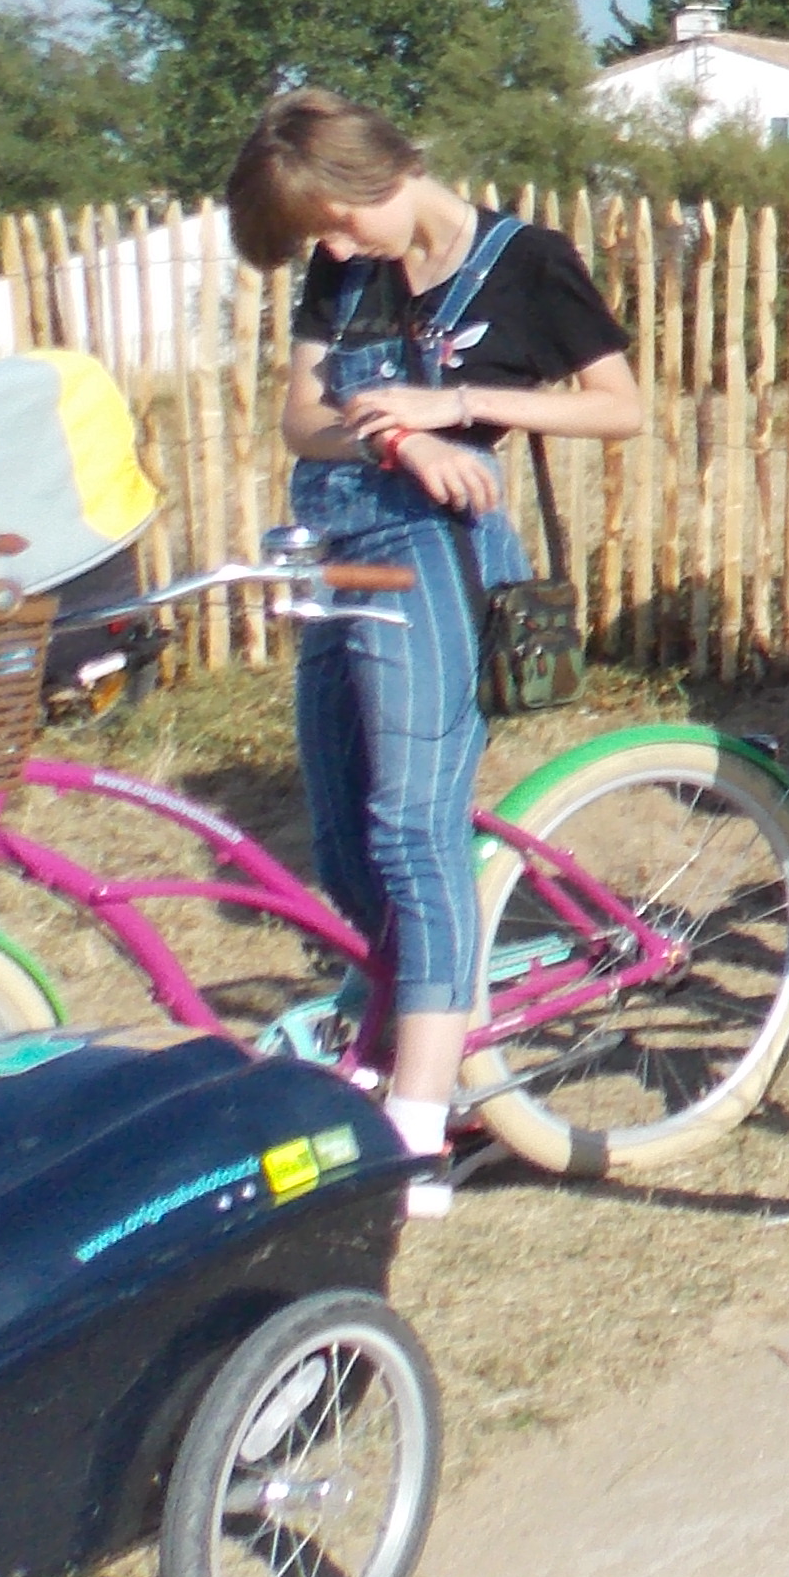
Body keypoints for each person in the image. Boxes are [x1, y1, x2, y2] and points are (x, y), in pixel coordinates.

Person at [233, 91, 643, 1214]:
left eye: (330, 221)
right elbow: (303, 417)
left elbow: (621, 409)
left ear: (383, 175)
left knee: (415, 829)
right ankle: (422, 1050)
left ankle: (418, 1122)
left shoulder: (526, 261)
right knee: (340, 837)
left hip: (436, 549)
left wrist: (454, 404)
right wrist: (397, 431)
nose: (325, 248)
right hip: (336, 543)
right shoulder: (344, 271)